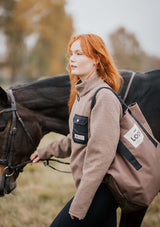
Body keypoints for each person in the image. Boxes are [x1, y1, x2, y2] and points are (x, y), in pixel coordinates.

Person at [31, 33, 123, 227]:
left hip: (102, 190)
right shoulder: (82, 95)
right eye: (71, 53)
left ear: (97, 59)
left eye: (79, 53)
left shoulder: (103, 97)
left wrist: (79, 205)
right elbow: (75, 138)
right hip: (92, 189)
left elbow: (101, 157)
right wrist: (44, 152)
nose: (72, 58)